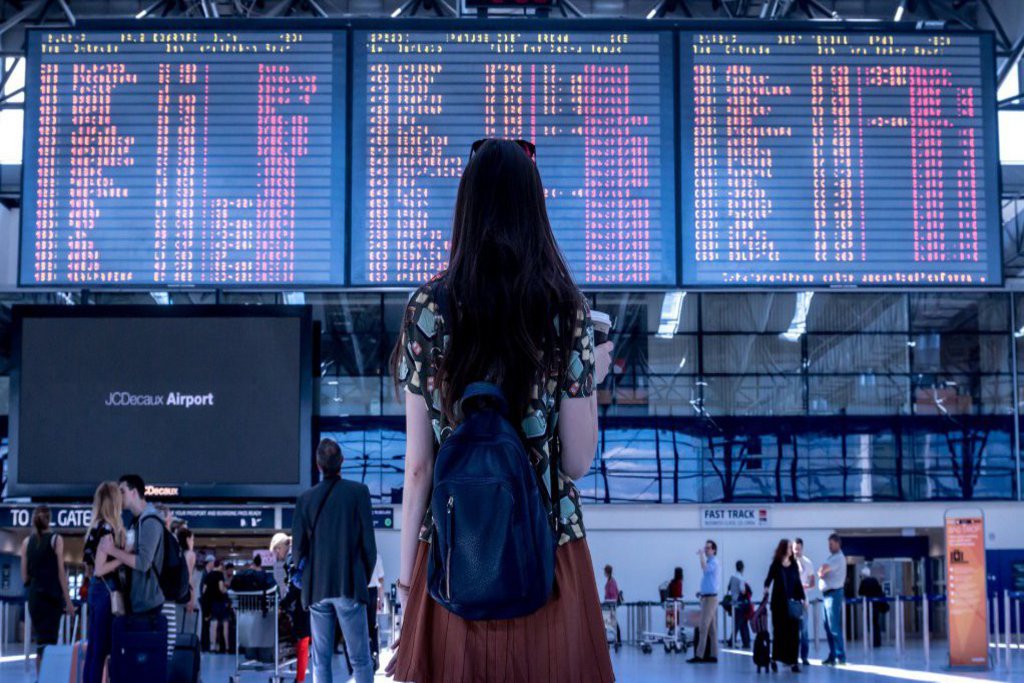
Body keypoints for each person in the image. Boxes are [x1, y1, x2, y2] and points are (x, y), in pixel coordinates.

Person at [386, 138, 615, 683]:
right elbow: (577, 462)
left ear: (466, 208)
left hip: (452, 555)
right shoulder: (567, 310)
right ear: (534, 210)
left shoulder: (427, 309)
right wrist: (591, 379)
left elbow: (418, 466)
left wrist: (404, 583)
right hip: (548, 556)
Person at [292, 437, 377, 683]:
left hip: (317, 589)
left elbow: (298, 550)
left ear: (318, 466)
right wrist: (362, 577)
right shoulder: (358, 493)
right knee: (360, 659)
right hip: (349, 585)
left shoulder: (305, 500)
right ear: (343, 462)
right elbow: (368, 546)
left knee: (321, 660)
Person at [100, 475, 169, 665]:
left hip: (147, 604)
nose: (119, 496)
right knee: (134, 662)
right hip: (137, 602)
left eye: (122, 491)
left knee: (144, 662)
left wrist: (112, 551)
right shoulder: (135, 522)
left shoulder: (150, 521)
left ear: (134, 492)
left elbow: (143, 563)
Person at [20, 505, 75, 676]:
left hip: (35, 598)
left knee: (41, 643)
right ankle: (48, 677)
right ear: (49, 519)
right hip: (52, 598)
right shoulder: (56, 539)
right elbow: (60, 573)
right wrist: (69, 602)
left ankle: (40, 677)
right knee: (50, 641)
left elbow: (24, 577)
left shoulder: (26, 542)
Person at [82, 483, 126, 683]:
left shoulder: (94, 528)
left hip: (95, 590)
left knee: (93, 650)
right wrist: (124, 558)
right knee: (101, 651)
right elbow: (100, 569)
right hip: (107, 592)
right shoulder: (107, 530)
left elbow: (90, 568)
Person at [271, 534, 311, 683]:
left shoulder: (292, 558)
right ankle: (300, 677)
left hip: (301, 605)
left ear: (282, 546)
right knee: (304, 641)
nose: (277, 554)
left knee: (302, 641)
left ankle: (300, 678)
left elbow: (295, 585)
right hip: (307, 602)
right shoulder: (300, 555)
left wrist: (283, 604)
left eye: (276, 550)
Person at [764, 539, 806, 673]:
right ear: (783, 549)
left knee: (793, 634)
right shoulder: (776, 564)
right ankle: (774, 659)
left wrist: (803, 599)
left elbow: (798, 583)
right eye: (789, 547)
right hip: (778, 605)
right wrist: (766, 589)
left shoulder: (794, 565)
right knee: (779, 633)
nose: (791, 550)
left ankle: (793, 662)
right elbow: (768, 580)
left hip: (792, 603)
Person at [688, 539, 720, 664]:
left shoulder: (714, 562)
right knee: (712, 629)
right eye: (705, 548)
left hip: (710, 599)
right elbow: (709, 582)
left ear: (714, 550)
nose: (705, 550)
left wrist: (701, 556)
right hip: (706, 597)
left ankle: (699, 655)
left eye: (708, 548)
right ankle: (713, 655)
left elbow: (704, 569)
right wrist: (701, 592)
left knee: (703, 626)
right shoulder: (710, 562)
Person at [818, 533, 847, 666]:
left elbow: (822, 570)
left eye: (831, 544)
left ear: (838, 544)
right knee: (828, 627)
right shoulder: (832, 557)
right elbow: (821, 570)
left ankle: (841, 656)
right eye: (829, 544)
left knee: (833, 627)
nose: (829, 547)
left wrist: (821, 572)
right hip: (827, 595)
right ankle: (833, 655)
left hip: (833, 594)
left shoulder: (838, 558)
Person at [793, 538, 816, 666]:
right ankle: (792, 657)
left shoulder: (808, 563)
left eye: (799, 549)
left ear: (802, 548)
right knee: (792, 631)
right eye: (795, 549)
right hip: (791, 602)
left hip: (803, 602)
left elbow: (813, 582)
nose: (797, 551)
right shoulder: (789, 563)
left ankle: (804, 657)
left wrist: (804, 587)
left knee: (804, 631)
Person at [201, 557, 231, 652]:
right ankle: (226, 647)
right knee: (225, 624)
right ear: (220, 566)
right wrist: (226, 590)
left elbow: (204, 590)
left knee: (213, 625)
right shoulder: (220, 574)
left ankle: (212, 646)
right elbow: (221, 588)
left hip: (212, 603)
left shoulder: (208, 575)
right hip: (220, 602)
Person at [175, 527, 198, 634]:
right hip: (185, 592)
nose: (193, 542)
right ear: (188, 540)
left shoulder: (177, 552)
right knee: (186, 626)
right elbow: (188, 576)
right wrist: (192, 597)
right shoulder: (190, 554)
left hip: (175, 591)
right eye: (193, 539)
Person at [858, 566, 886, 648]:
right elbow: (880, 591)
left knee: (869, 623)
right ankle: (877, 642)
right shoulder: (874, 580)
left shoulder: (863, 581)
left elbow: (860, 592)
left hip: (867, 605)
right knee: (876, 623)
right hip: (876, 605)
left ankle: (871, 641)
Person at [726, 560, 751, 649]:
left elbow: (728, 588)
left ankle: (745, 641)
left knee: (741, 622)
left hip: (733, 602)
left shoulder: (732, 577)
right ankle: (734, 640)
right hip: (739, 603)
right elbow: (743, 591)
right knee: (739, 622)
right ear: (742, 568)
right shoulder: (741, 578)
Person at [367, 553, 385, 671]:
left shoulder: (356, 553)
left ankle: (368, 654)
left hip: (360, 591)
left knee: (362, 625)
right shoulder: (376, 556)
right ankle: (375, 653)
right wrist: (380, 599)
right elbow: (381, 578)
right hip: (372, 592)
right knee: (372, 624)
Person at [604, 565, 622, 646]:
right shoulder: (609, 581)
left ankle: (618, 639)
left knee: (613, 621)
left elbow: (613, 594)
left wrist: (609, 601)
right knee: (611, 621)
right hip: (609, 604)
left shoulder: (612, 582)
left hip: (611, 604)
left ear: (607, 572)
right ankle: (615, 639)